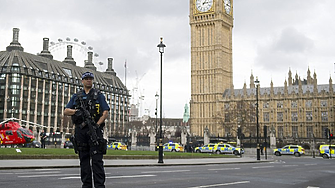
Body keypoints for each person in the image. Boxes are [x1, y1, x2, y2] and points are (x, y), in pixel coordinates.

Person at [64, 71, 110, 188]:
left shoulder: (98, 95)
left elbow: (105, 112)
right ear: (82, 81)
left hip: (94, 130)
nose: (89, 80)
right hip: (81, 131)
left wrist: (97, 125)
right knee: (84, 160)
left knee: (97, 161)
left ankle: (100, 186)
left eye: (90, 78)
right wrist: (76, 112)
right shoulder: (77, 96)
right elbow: (66, 110)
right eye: (86, 79)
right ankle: (86, 185)